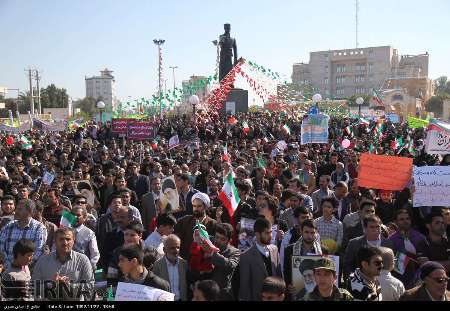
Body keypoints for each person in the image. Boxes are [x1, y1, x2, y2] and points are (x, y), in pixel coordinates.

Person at [32, 227, 94, 300]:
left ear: (73, 240)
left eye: (68, 239)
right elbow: (34, 287)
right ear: (55, 241)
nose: (65, 243)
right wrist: (51, 285)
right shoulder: (43, 261)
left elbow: (90, 286)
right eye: (61, 239)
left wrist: (69, 286)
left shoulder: (83, 260)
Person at [239, 217, 281, 301]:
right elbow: (245, 288)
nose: (270, 236)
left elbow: (279, 276)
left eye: (271, 232)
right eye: (267, 233)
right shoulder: (246, 256)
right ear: (257, 234)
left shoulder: (274, 249)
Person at [0, 199, 47, 267]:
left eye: (20, 209)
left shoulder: (39, 228)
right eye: (16, 209)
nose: (16, 211)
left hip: (27, 272)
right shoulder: (9, 226)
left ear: (30, 212)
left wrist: (23, 267)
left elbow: (38, 251)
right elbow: (1, 247)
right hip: (7, 269)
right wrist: (9, 265)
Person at [388, 208, 428, 289]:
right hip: (400, 282)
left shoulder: (420, 237)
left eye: (407, 218)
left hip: (421, 280)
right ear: (396, 222)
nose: (405, 221)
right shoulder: (391, 241)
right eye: (401, 219)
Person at [283, 219, 322, 298]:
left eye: (312, 233)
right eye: (306, 232)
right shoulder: (289, 250)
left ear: (316, 233)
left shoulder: (323, 250)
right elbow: (286, 271)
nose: (309, 236)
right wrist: (288, 285)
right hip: (296, 292)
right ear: (301, 231)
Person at [174, 192, 216, 261]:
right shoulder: (185, 221)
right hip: (186, 260)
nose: (196, 209)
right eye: (194, 206)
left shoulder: (213, 224)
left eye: (199, 206)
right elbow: (176, 237)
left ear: (205, 207)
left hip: (204, 262)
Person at [152, 234, 188, 301]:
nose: (176, 250)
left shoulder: (184, 264)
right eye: (172, 248)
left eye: (178, 247)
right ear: (164, 250)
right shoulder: (158, 265)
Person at [71, 206, 100, 271]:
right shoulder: (64, 230)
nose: (75, 217)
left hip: (82, 268)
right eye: (73, 215)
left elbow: (95, 254)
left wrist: (89, 268)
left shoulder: (89, 233)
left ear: (84, 218)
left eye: (78, 215)